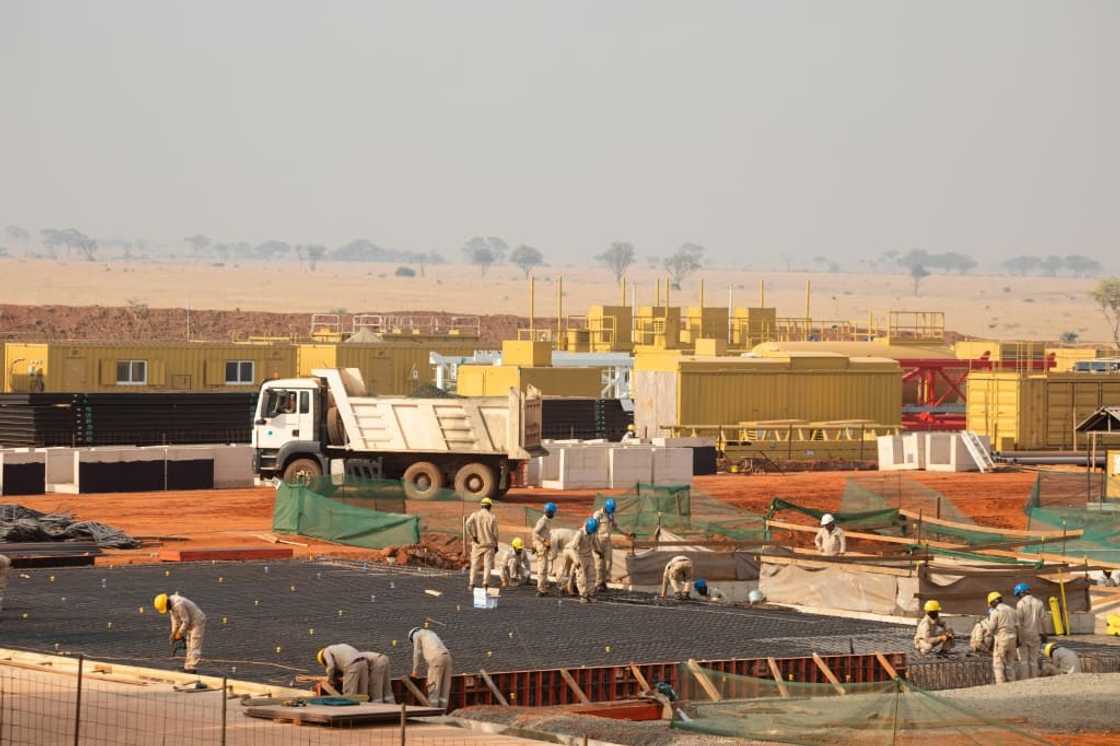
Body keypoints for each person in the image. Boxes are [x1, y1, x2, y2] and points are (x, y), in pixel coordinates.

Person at [154, 592, 206, 672]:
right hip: (191, 622)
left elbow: (185, 621)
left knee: (194, 645)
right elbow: (175, 621)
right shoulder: (171, 606)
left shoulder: (178, 604)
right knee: (189, 645)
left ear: (166, 604)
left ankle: (192, 668)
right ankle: (187, 667)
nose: (167, 611)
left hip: (197, 621)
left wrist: (180, 633)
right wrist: (173, 633)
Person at [558, 518, 600, 603]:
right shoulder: (579, 533)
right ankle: (583, 595)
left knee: (591, 576)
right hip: (581, 557)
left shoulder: (592, 533)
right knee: (581, 577)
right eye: (590, 531)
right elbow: (573, 548)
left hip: (589, 557)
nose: (590, 533)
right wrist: (576, 560)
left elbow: (595, 544)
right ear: (587, 527)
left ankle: (590, 594)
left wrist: (599, 552)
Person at [410, 627, 453, 708]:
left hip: (436, 658)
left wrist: (414, 671)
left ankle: (433, 712)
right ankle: (443, 712)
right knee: (445, 687)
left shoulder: (416, 634)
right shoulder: (431, 632)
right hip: (447, 657)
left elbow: (417, 653)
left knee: (434, 687)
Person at [1013, 582, 1046, 679]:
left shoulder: (1020, 604)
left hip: (1023, 635)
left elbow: (1018, 622)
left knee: (1023, 660)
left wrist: (1018, 637)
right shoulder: (1039, 602)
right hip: (1036, 634)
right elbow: (1043, 620)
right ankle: (1034, 679)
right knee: (1033, 660)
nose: (1018, 596)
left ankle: (1025, 681)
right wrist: (1044, 634)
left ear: (1021, 593)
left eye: (1018, 594)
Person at [464, 497, 498, 589]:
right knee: (487, 565)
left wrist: (472, 536)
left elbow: (467, 524)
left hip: (477, 544)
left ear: (481, 506)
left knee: (474, 564)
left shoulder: (475, 515)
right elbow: (495, 533)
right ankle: (485, 584)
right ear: (489, 506)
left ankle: (471, 584)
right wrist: (496, 545)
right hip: (489, 544)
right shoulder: (492, 517)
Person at [987, 590, 1019, 684]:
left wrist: (990, 637)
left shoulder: (995, 612)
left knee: (998, 663)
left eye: (990, 603)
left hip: (1002, 638)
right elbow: (1017, 626)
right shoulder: (1012, 609)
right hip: (1013, 637)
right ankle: (1012, 682)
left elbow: (991, 628)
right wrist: (1018, 640)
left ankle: (1000, 685)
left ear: (994, 601)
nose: (991, 606)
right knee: (1010, 663)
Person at [591, 498, 623, 591]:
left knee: (608, 562)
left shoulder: (611, 515)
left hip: (608, 541)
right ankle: (598, 583)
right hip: (599, 541)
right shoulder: (598, 515)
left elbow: (616, 527)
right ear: (606, 507)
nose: (612, 511)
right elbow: (593, 527)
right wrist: (594, 543)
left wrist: (626, 534)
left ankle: (604, 581)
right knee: (599, 564)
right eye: (611, 509)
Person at [532, 502, 557, 596]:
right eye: (553, 512)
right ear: (549, 512)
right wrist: (544, 541)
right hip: (542, 548)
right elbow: (535, 533)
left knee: (545, 568)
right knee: (542, 568)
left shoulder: (547, 521)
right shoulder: (542, 521)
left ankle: (543, 587)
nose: (554, 514)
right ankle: (540, 589)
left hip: (544, 548)